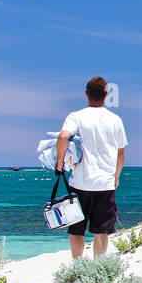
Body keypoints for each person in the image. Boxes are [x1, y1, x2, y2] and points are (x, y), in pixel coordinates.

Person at [56, 76, 127, 258]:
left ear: (86, 94)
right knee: (101, 231)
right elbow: (120, 153)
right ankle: (98, 269)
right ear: (106, 95)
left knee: (77, 230)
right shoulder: (115, 120)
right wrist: (116, 176)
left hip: (80, 181)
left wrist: (59, 163)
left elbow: (63, 136)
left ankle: (78, 268)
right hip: (105, 183)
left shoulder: (76, 116)